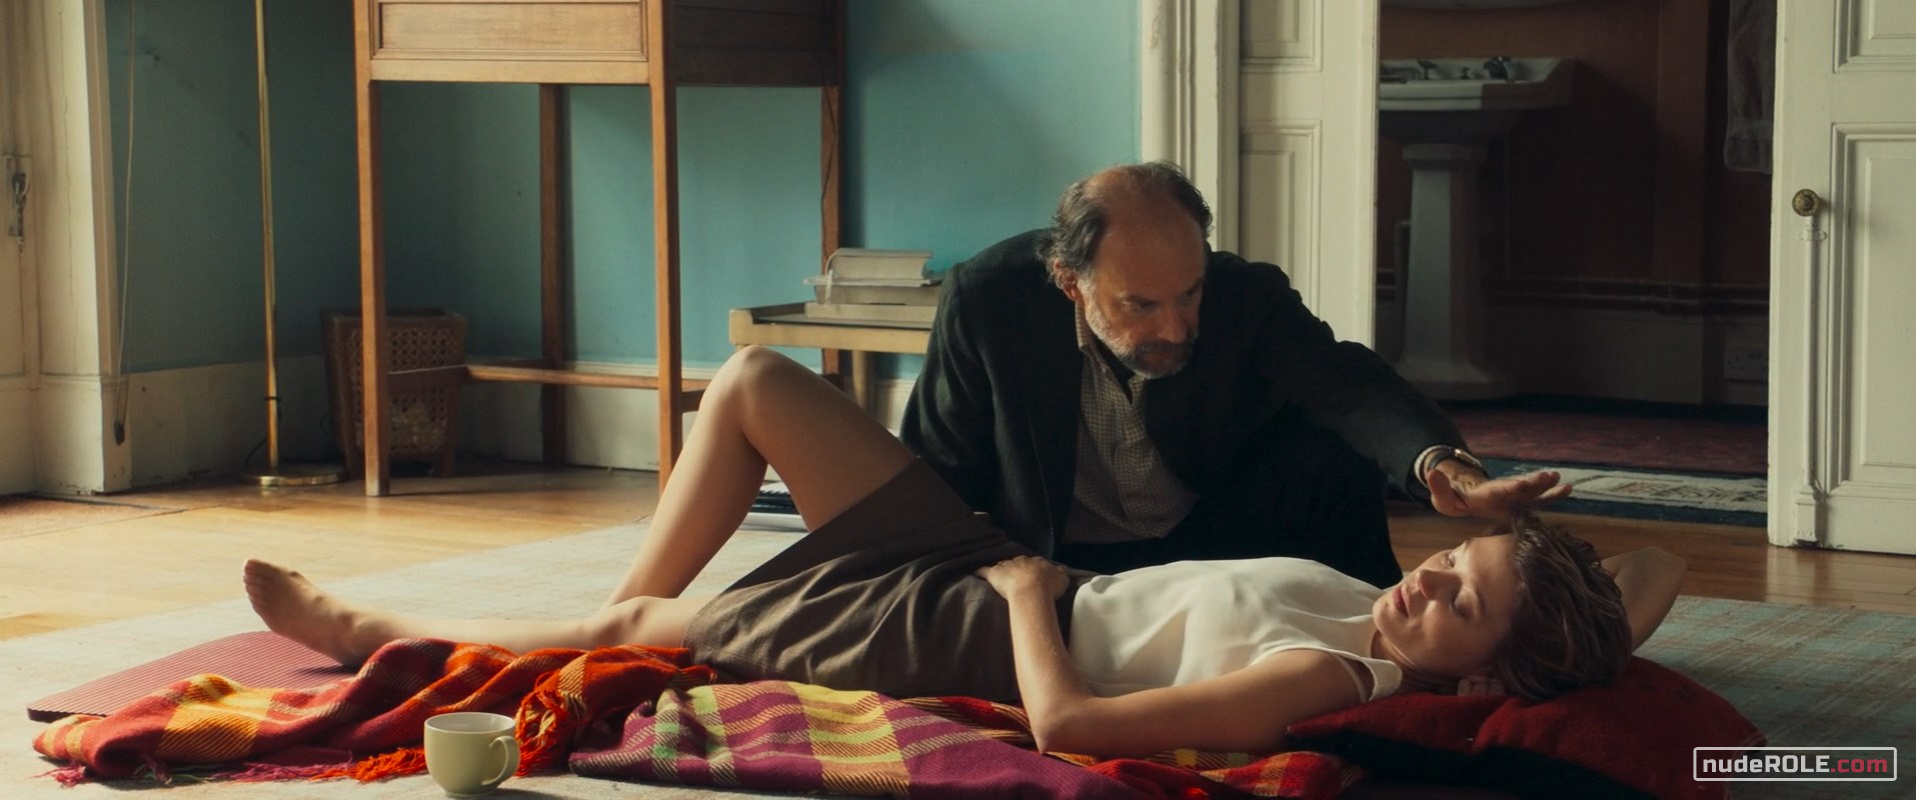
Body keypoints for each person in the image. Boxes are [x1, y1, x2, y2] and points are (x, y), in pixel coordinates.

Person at [247, 347, 1686, 758]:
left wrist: (1019, 597)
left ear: (1480, 676)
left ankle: (378, 635)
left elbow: (1070, 728)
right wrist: (1548, 579)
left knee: (650, 635)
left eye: (1458, 600)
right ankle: (629, 616)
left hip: (988, 624)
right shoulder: (1388, 610)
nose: (1432, 574)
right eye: (1455, 562)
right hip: (1002, 567)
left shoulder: (1331, 676)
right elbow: (1635, 588)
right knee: (754, 383)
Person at [901, 161, 1571, 589]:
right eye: (1141, 305)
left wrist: (1439, 463)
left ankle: (1374, 631)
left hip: (1219, 545)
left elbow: (1349, 384)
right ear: (1070, 282)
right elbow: (942, 468)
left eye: (1188, 294)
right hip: (1067, 564)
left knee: (1331, 453)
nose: (1174, 329)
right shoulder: (987, 302)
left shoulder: (1245, 295)